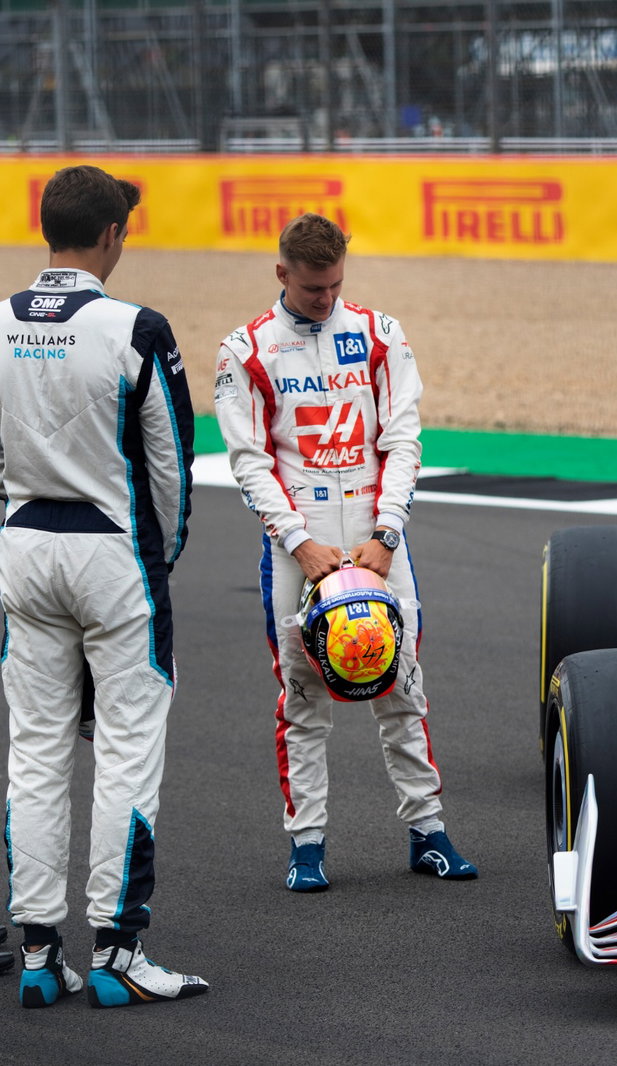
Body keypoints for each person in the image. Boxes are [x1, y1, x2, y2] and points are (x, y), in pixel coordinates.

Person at [213, 213, 478, 892]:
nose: (324, 299)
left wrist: (387, 534)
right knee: (303, 694)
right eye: (310, 289)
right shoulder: (245, 350)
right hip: (296, 543)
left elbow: (404, 438)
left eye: (333, 286)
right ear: (281, 275)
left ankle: (429, 832)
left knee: (403, 680)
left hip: (374, 535)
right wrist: (298, 544)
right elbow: (248, 461)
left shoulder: (380, 335)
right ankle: (306, 846)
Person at [0, 165, 207, 1008]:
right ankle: (119, 949)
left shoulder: (0, 323)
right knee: (124, 750)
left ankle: (41, 953)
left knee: (36, 753)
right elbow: (173, 470)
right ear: (114, 235)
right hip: (114, 556)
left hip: (20, 549)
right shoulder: (137, 328)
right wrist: (165, 560)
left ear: (46, 225)